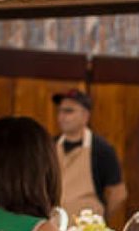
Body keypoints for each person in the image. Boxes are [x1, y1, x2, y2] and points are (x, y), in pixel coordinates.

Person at [53, 88, 128, 222]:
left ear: (85, 115)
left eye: (69, 111)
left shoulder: (102, 149)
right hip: (54, 227)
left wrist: (98, 218)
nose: (62, 116)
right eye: (60, 111)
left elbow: (118, 193)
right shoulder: (50, 146)